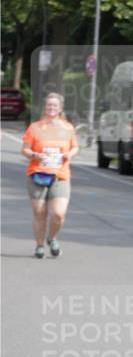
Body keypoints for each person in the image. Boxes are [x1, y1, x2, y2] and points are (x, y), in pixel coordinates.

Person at [21, 92, 79, 259]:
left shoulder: (67, 128)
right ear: (44, 108)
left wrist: (70, 154)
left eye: (54, 105)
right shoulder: (35, 127)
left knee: (58, 214)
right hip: (37, 175)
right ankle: (39, 246)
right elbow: (24, 149)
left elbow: (75, 147)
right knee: (39, 213)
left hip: (60, 176)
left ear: (60, 108)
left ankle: (52, 238)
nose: (51, 108)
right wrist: (34, 155)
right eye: (48, 105)